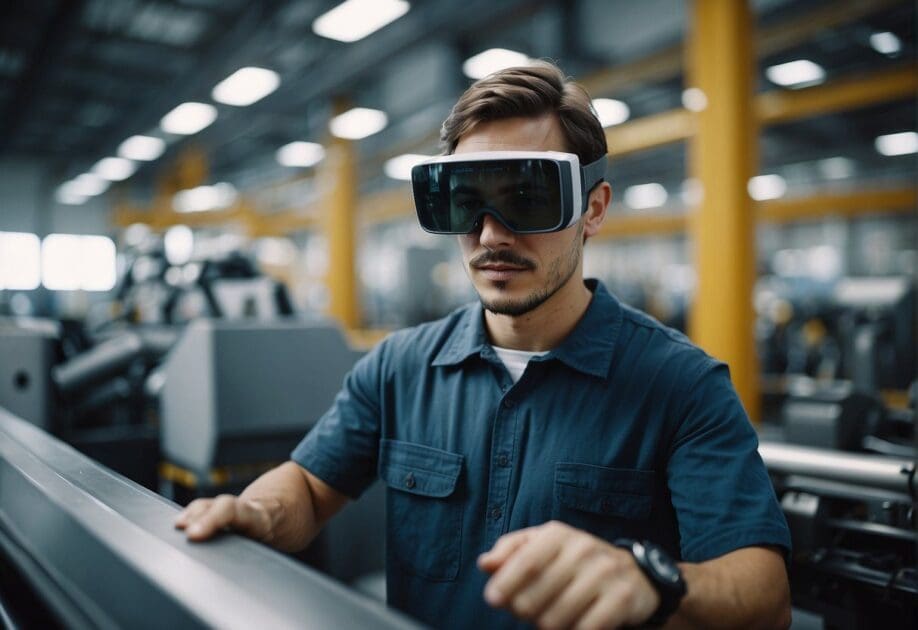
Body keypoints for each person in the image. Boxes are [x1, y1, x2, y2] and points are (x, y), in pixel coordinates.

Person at [175, 61, 792, 629]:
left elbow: (764, 597)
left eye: (528, 199)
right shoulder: (399, 366)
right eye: (467, 204)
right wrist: (256, 512)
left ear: (593, 208)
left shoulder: (681, 385)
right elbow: (309, 488)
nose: (491, 235)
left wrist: (652, 579)